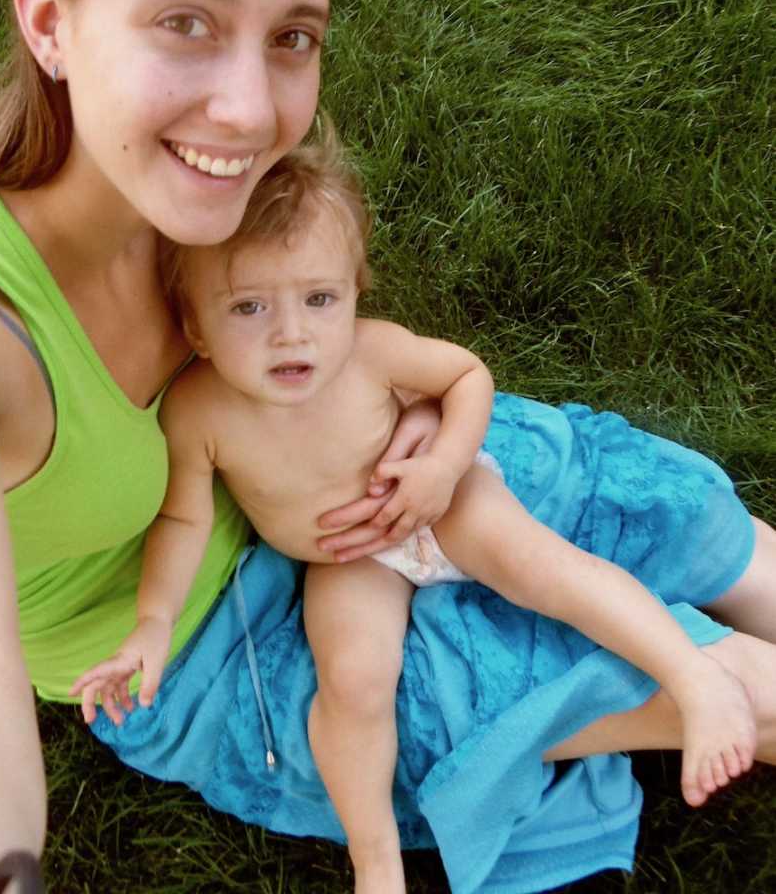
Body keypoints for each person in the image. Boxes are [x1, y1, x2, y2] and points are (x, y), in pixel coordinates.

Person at [0, 0, 775, 894]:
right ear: (49, 20)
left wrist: (434, 444)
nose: (252, 112)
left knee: (696, 534)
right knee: (711, 681)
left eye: (292, 37)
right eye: (186, 22)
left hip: (369, 452)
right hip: (229, 646)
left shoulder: (204, 210)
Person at [71, 137, 759, 893]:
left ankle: (692, 677)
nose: (291, 332)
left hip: (440, 504)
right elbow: (183, 524)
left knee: (546, 571)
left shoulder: (372, 352)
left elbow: (468, 375)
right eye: (249, 307)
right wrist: (152, 625)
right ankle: (376, 862)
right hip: (344, 558)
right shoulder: (199, 412)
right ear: (195, 327)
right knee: (354, 679)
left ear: (355, 292)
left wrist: (442, 467)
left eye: (320, 298)